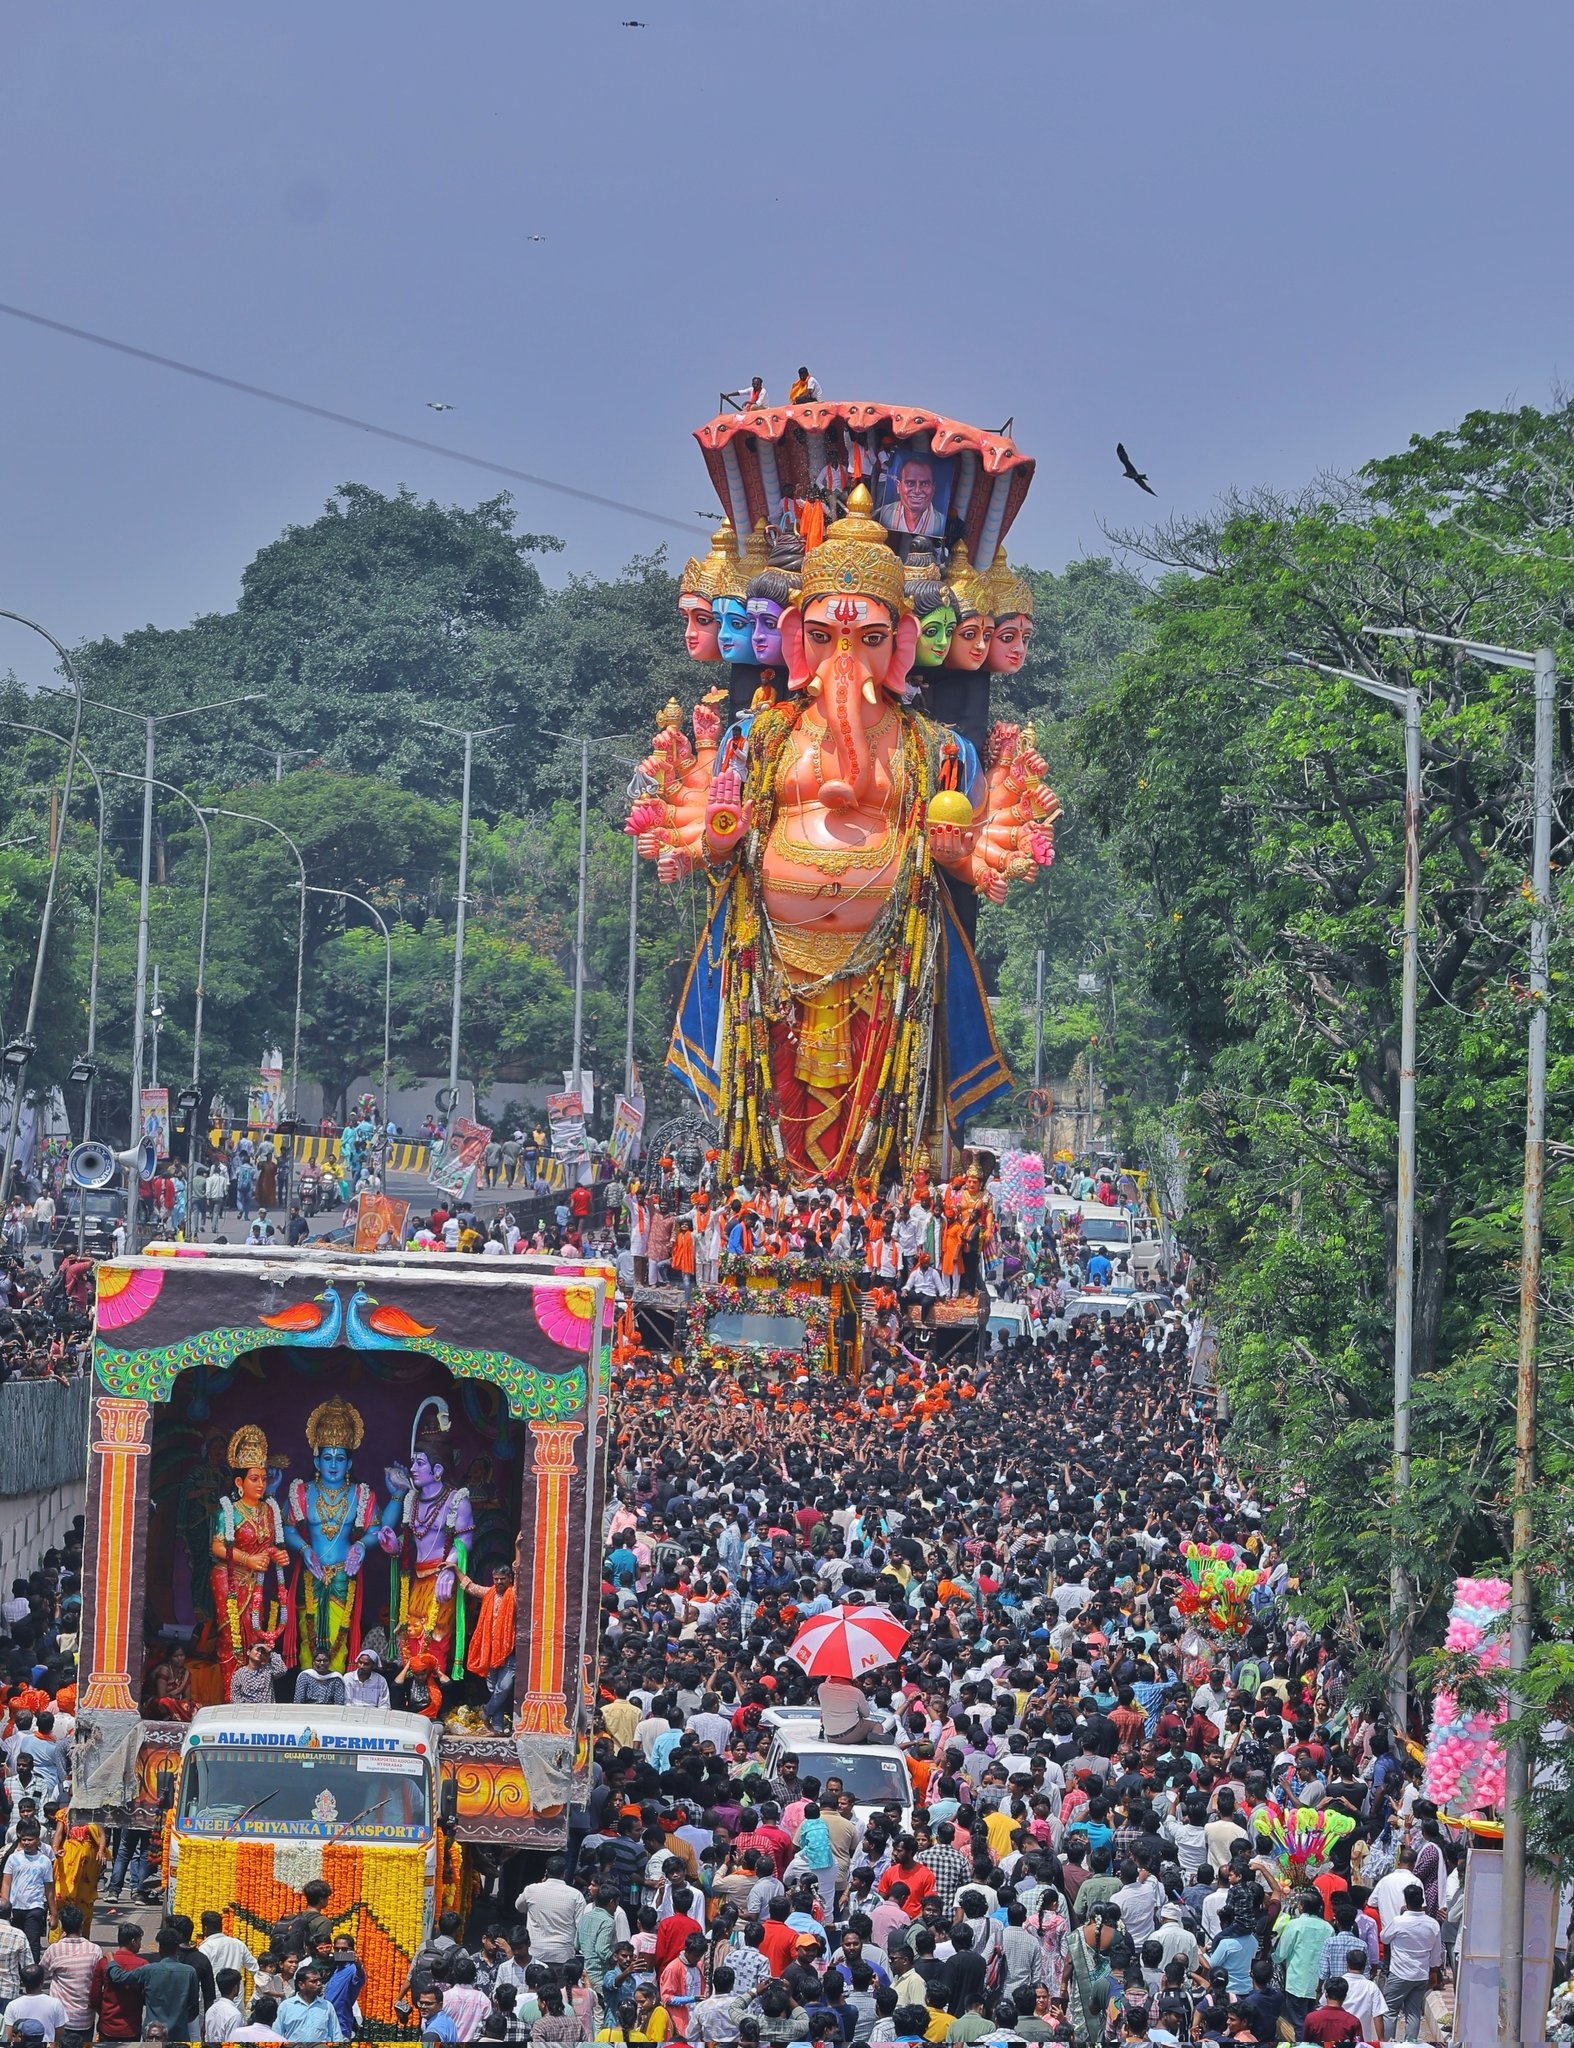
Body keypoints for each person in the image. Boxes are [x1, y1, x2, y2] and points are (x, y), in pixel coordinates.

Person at [1380, 1884, 1443, 2042]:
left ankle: (1389, 2044)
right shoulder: (1433, 1924)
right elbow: (1436, 1954)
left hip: (1399, 1974)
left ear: (1406, 1902)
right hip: (1421, 1975)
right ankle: (1411, 2044)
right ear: (1422, 1901)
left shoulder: (1399, 1921)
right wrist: (1434, 1973)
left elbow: (1384, 1938)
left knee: (1389, 2011)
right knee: (1413, 2012)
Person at [0, 1829, 51, 1960]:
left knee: (33, 1943)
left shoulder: (44, 1861)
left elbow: (49, 1888)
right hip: (15, 1908)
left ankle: (33, 1976)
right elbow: (6, 1883)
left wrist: (54, 1913)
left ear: (38, 1841)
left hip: (35, 1907)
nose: (27, 1843)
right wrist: (5, 1907)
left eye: (30, 1840)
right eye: (24, 1840)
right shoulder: (13, 1858)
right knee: (15, 1942)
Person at [276, 1961, 343, 2040]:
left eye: (319, 1980)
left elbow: (336, 2035)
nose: (319, 1984)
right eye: (314, 1981)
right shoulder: (286, 2006)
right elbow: (277, 2035)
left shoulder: (327, 2006)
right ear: (301, 1985)